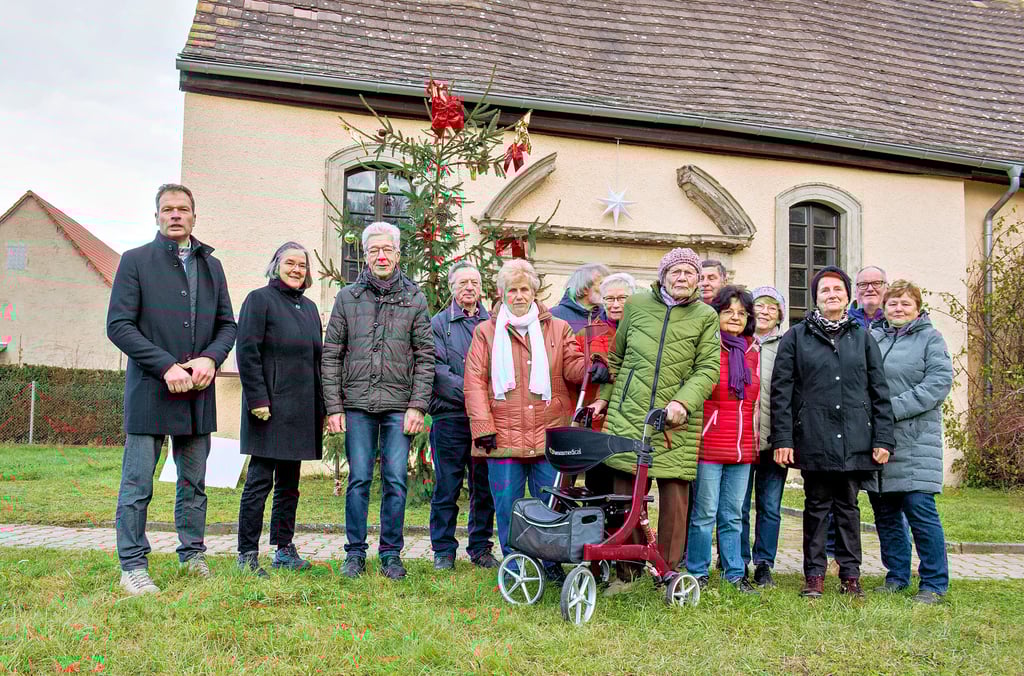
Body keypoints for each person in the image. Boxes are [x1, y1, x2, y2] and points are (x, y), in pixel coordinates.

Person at [106, 184, 237, 595]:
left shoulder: (212, 266)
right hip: (150, 389)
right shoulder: (135, 261)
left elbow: (227, 325)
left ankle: (192, 554)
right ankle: (132, 565)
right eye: (168, 209)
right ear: (157, 217)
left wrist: (210, 359)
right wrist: (165, 366)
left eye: (183, 209)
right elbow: (119, 325)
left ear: (194, 216)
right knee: (137, 483)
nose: (175, 215)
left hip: (198, 390)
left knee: (194, 482)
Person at [589, 247, 720, 586]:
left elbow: (708, 367)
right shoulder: (636, 306)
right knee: (624, 497)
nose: (682, 278)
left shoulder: (705, 316)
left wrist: (683, 402)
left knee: (675, 501)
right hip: (628, 413)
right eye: (675, 272)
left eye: (689, 273)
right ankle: (627, 573)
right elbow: (615, 361)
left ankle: (668, 571)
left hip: (673, 422)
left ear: (697, 280)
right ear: (662, 276)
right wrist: (604, 399)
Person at [771, 265, 895, 599]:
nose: (832, 295)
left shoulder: (862, 337)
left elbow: (878, 391)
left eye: (837, 289)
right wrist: (783, 438)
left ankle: (851, 575)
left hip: (856, 437)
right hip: (813, 436)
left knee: (848, 508)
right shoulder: (796, 336)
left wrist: (883, 438)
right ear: (816, 298)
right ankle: (814, 575)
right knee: (816, 507)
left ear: (847, 295)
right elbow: (781, 391)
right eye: (825, 290)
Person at [463, 259, 588, 585]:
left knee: (550, 506)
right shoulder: (485, 332)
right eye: (512, 290)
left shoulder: (559, 329)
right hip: (502, 435)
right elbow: (475, 382)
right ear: (502, 293)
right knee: (508, 507)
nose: (519, 296)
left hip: (549, 434)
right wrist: (482, 427)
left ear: (535, 292)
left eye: (524, 289)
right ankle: (518, 567)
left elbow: (573, 367)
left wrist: (591, 367)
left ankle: (549, 564)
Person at [322, 221, 435, 581]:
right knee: (358, 480)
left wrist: (418, 406)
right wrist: (334, 407)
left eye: (388, 250)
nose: (381, 256)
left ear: (398, 254)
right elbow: (331, 355)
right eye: (374, 250)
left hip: (400, 407)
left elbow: (426, 357)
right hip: (356, 405)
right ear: (365, 255)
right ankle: (354, 553)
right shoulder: (347, 298)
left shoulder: (415, 299)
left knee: (395, 480)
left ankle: (390, 553)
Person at [235, 242, 324, 577]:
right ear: (276, 265)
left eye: (302, 264)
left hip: (301, 411)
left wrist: (323, 408)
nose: (297, 269)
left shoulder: (310, 307)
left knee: (290, 484)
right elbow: (247, 352)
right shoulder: (259, 300)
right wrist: (257, 399)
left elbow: (316, 362)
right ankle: (246, 553)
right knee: (260, 482)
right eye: (290, 262)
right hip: (268, 409)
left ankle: (284, 549)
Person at [868, 280, 953, 604]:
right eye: (893, 303)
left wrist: (891, 409)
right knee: (885, 513)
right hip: (880, 442)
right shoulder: (874, 337)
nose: (898, 309)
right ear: (884, 308)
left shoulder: (930, 338)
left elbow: (938, 383)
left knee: (920, 511)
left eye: (905, 303)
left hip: (916, 443)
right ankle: (897, 575)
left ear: (917, 308)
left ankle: (933, 582)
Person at [686, 285, 760, 593]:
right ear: (715, 314)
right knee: (704, 514)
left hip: (743, 448)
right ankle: (697, 572)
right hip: (709, 445)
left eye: (741, 313)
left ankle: (734, 574)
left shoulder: (753, 351)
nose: (735, 317)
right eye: (728, 311)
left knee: (733, 515)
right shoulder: (706, 348)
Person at [427, 262, 498, 571]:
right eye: (463, 282)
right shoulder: (438, 325)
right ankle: (443, 550)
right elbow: (438, 373)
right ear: (451, 287)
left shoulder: (495, 324)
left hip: (487, 423)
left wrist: (485, 406)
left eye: (475, 282)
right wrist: (476, 398)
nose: (469, 287)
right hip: (451, 418)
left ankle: (481, 548)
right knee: (447, 486)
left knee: (484, 488)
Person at [740, 285, 788, 588]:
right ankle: (738, 559)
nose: (765, 311)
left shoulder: (788, 345)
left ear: (780, 314)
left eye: (773, 307)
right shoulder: (739, 342)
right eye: (760, 305)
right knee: (738, 506)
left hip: (774, 439)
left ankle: (764, 563)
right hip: (741, 439)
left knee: (770, 506)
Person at [575, 272, 636, 494]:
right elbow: (575, 371)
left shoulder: (643, 332)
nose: (615, 304)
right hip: (598, 424)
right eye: (609, 299)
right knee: (597, 489)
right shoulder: (588, 333)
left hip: (631, 423)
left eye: (622, 298)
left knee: (628, 492)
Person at [550, 263, 610, 334]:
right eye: (602, 284)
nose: (608, 289)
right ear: (585, 289)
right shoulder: (554, 315)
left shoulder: (608, 315)